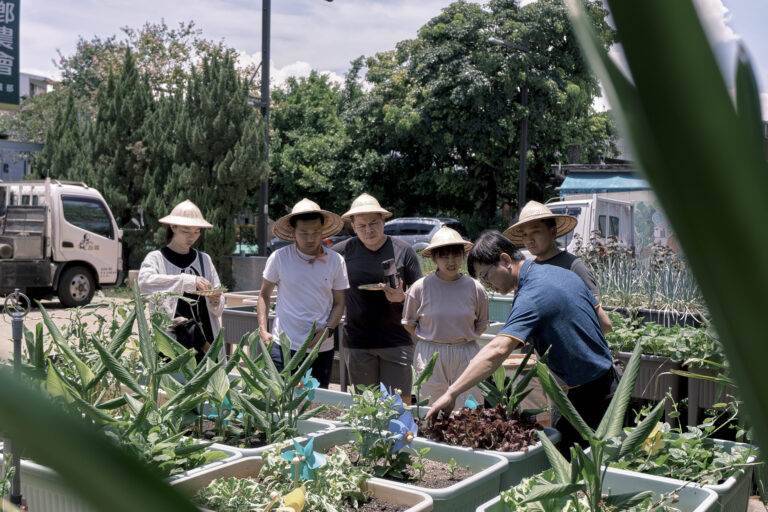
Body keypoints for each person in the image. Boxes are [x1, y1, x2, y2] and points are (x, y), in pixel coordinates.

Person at [425, 231, 618, 455]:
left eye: (486, 276)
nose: (487, 285)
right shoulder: (562, 274)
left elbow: (498, 350)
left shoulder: (531, 295)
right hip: (608, 382)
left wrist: (452, 393)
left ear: (506, 260)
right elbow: (605, 323)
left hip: (586, 397)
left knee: (578, 471)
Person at [331, 194, 422, 403]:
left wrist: (402, 297)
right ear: (353, 226)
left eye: (373, 223)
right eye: (361, 225)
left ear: (383, 221)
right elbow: (320, 277)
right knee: (367, 407)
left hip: (397, 340)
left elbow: (422, 296)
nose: (368, 230)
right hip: (358, 341)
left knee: (400, 405)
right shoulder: (342, 252)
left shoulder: (403, 250)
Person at [257, 199, 348, 389]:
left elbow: (339, 303)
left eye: (315, 232)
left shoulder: (336, 261)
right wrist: (263, 330)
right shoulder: (279, 258)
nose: (310, 238)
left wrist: (328, 330)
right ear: (293, 233)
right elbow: (264, 295)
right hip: (283, 345)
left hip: (320, 347)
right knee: (279, 402)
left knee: (316, 406)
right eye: (304, 233)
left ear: (322, 230)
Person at [402, 226, 488, 409]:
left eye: (456, 255)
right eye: (444, 256)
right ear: (433, 258)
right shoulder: (420, 287)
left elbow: (481, 325)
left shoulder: (475, 288)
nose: (451, 261)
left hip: (466, 352)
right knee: (430, 406)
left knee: (469, 407)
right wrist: (432, 339)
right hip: (430, 354)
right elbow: (409, 324)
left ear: (463, 256)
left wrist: (458, 338)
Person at [504, 201, 612, 334]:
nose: (529, 239)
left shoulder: (573, 266)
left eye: (535, 232)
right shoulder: (528, 271)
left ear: (553, 232)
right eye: (525, 234)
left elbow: (595, 316)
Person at [138, 200, 224, 363]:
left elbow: (218, 298)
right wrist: (188, 280)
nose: (192, 237)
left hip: (205, 343)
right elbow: (144, 283)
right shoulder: (156, 258)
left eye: (197, 231)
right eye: (186, 231)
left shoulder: (204, 259)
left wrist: (215, 300)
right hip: (171, 342)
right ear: (173, 227)